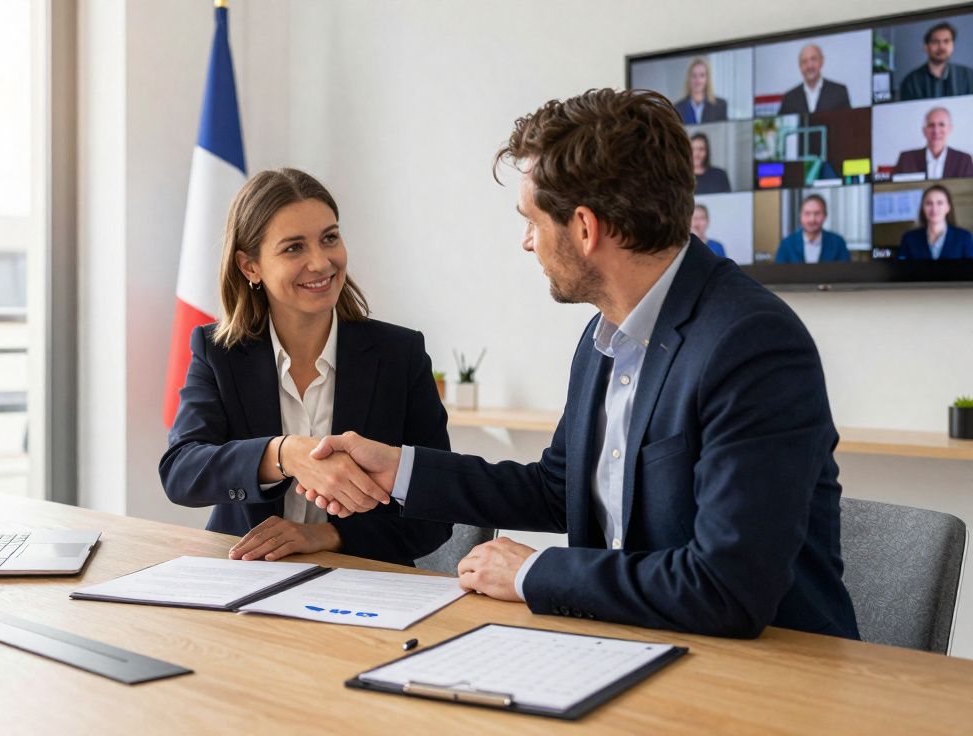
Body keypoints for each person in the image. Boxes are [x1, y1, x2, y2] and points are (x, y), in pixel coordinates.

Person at [298, 89, 859, 640]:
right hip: (632, 645)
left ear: (586, 230)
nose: (526, 243)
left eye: (532, 222)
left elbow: (725, 588)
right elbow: (556, 489)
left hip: (771, 679)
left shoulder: (752, 345)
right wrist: (400, 470)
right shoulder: (603, 334)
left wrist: (531, 571)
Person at [159, 167, 452, 567]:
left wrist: (325, 535)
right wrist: (282, 453)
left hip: (363, 580)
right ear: (250, 267)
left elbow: (437, 507)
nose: (320, 262)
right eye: (294, 248)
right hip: (242, 574)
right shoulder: (218, 352)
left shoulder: (400, 354)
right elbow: (181, 473)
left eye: (329, 238)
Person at [899, 21, 973, 101]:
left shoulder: (968, 76)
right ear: (926, 47)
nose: (941, 47)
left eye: (946, 41)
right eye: (935, 42)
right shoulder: (911, 82)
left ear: (952, 46)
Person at [894, 107, 973, 179]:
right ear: (924, 131)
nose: (936, 131)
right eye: (931, 125)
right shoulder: (907, 159)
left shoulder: (964, 161)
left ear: (950, 128)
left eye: (941, 125)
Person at [898, 184, 973, 260]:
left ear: (948, 207)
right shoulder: (909, 238)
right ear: (923, 208)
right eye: (929, 203)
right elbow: (901, 270)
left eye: (939, 203)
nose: (934, 209)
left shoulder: (964, 237)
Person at [774, 195, 851, 263]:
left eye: (817, 213)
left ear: (825, 216)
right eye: (807, 213)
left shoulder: (838, 242)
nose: (812, 219)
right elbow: (779, 275)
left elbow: (846, 275)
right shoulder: (787, 244)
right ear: (800, 216)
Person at [778, 43, 851, 114]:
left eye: (813, 59)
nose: (809, 66)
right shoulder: (789, 99)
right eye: (804, 62)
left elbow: (848, 123)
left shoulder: (839, 92)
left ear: (821, 61)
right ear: (800, 66)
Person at [673, 57, 728, 124]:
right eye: (694, 75)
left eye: (702, 75)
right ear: (689, 79)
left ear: (707, 79)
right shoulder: (677, 108)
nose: (698, 80)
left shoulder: (720, 105)